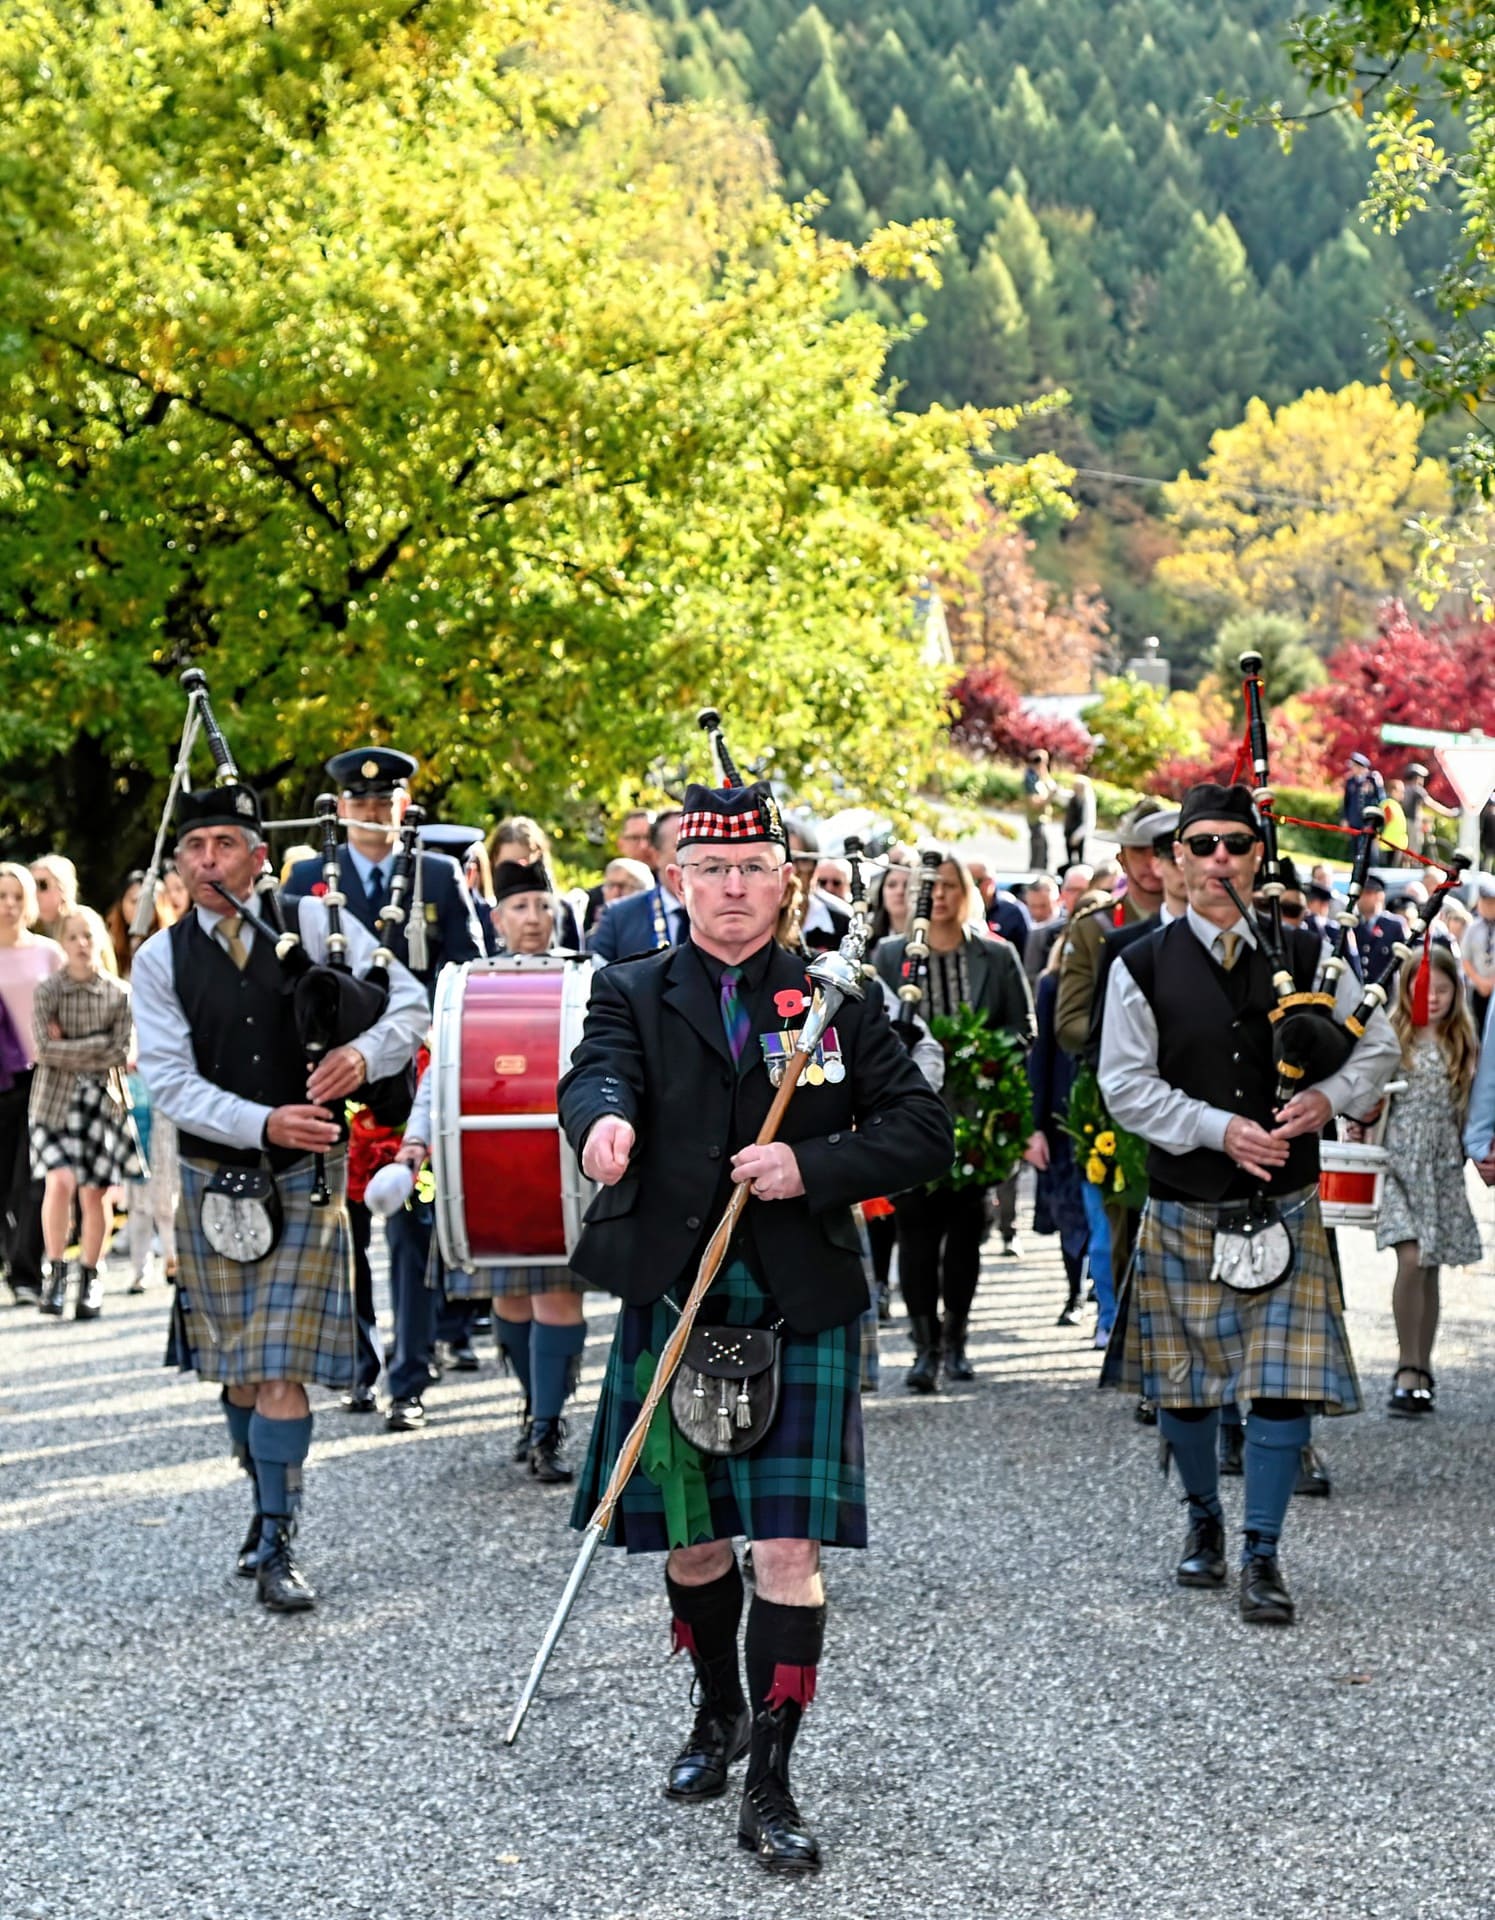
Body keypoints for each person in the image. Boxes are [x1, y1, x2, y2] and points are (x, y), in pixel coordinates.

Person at [558, 779, 951, 1873]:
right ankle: (717, 1710)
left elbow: (923, 1128)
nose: (732, 890)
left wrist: (808, 1165)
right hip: (677, 1290)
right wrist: (603, 1127)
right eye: (711, 870)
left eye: (752, 870)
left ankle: (772, 1782)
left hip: (794, 1296)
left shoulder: (838, 998)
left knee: (785, 1543)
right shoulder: (628, 989)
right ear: (679, 880)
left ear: (787, 879)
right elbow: (592, 1078)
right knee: (690, 1544)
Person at [1099, 783, 1399, 1626]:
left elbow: (1376, 1050)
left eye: (1235, 843)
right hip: (1185, 1197)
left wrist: (1327, 1097)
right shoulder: (1138, 962)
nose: (1218, 860)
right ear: (1172, 864)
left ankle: (1261, 1551)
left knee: (1279, 1387)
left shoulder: (1310, 955)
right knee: (1186, 1388)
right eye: (1201, 846)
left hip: (1285, 1197)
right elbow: (1123, 1085)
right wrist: (1217, 1128)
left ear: (1257, 855)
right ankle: (1203, 1519)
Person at [133, 781, 426, 1611]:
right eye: (194, 847)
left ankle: (277, 1535)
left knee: (278, 1367)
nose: (208, 860)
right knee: (236, 1371)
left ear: (259, 858)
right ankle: (263, 1494)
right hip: (213, 1177)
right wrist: (266, 1121)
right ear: (180, 863)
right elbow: (172, 1084)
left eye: (225, 844)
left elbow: (409, 1003)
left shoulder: (318, 925)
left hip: (308, 1183)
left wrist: (362, 1058)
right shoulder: (159, 960)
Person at [286, 749, 486, 1410]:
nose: (372, 814)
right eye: (360, 804)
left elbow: (465, 974)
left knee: (411, 1229)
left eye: (384, 803)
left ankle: (410, 1378)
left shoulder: (435, 872)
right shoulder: (311, 874)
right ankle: (360, 1363)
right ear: (341, 810)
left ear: (401, 807)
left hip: (414, 1080)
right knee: (345, 1233)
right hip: (338, 1082)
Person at [398, 862, 589, 1460]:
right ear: (496, 917)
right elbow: (440, 1076)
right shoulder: (467, 984)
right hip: (490, 1171)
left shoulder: (588, 979)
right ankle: (535, 1407)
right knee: (508, 1300)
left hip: (561, 1171)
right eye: (520, 908)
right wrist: (414, 1142)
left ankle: (549, 1424)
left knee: (559, 1298)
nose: (533, 919)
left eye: (542, 906)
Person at [873, 850, 1035, 1383]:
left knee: (966, 1233)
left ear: (964, 890)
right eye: (929, 887)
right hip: (912, 1114)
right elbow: (872, 1033)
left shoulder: (995, 954)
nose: (938, 896)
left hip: (976, 1115)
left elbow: (1023, 1026)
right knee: (915, 1232)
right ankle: (924, 1348)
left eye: (947, 886)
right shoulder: (892, 952)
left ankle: (957, 1336)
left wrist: (981, 1053)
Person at [1365, 943, 1480, 1417]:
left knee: (1429, 1266)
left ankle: (1422, 1366)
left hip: (1440, 1168)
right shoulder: (1392, 1037)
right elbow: (1365, 1092)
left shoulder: (1464, 1045)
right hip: (1396, 1163)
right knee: (1410, 1258)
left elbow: (1474, 1109)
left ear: (1457, 993)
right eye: (1422, 987)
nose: (1431, 998)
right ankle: (1405, 1366)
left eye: (1443, 989)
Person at [28, 906, 134, 1320]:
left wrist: (70, 1046)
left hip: (102, 1100)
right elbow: (43, 1050)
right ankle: (55, 1272)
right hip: (52, 1102)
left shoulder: (118, 993)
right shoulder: (48, 991)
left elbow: (121, 1051)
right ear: (62, 942)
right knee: (60, 1182)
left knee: (96, 1192)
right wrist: (95, 1043)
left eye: (88, 935)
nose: (81, 944)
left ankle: (90, 1276)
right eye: (72, 937)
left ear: (100, 940)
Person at [0, 864, 64, 1305]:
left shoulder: (48, 953)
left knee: (35, 1178)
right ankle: (12, 1258)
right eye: (1, 897)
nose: (9, 906)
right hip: (0, 1078)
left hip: (45, 1076)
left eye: (17, 896)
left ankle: (26, 1273)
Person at [1023, 932, 1089, 1327]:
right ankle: (1074, 1291)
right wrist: (1035, 1125)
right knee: (1069, 1207)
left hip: (1106, 1110)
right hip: (1062, 1113)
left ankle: (1101, 1287)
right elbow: (1041, 1053)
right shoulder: (1052, 982)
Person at [587, 808, 684, 963]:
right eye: (681, 846)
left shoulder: (727, 908)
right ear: (656, 854)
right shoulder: (618, 917)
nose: (694, 855)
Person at [488, 815, 583, 950]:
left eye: (524, 863)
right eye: (508, 866)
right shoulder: (484, 911)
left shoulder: (562, 909)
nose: (518, 873)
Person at [1351, 877, 1408, 984]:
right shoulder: (1353, 924)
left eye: (1367, 893)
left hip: (1383, 991)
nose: (1361, 898)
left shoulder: (1394, 926)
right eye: (1360, 893)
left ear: (1380, 896)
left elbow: (1402, 963)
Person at [1461, 875, 1495, 1035]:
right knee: (1477, 1028)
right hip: (1478, 988)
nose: (1487, 907)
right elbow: (1466, 959)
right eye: (1484, 902)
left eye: (1491, 903)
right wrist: (1480, 982)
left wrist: (1492, 982)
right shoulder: (1473, 928)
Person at [1402, 763, 1457, 860]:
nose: (1422, 781)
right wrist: (1450, 813)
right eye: (1421, 777)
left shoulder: (1404, 788)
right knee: (1414, 850)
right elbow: (1431, 804)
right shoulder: (1417, 790)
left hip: (1403, 822)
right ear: (1416, 777)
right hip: (1413, 823)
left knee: (1405, 848)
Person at [30, 854, 79, 944]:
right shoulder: (23, 930)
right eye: (31, 885)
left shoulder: (84, 925)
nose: (34, 892)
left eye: (42, 885)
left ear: (63, 888)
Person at [1023, 749, 1058, 870]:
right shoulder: (1030, 779)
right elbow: (1034, 803)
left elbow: (1050, 783)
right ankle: (1036, 875)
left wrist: (1044, 772)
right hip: (1036, 820)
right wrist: (1050, 796)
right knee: (1039, 852)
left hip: (1042, 819)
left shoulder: (1039, 777)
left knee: (1043, 851)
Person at [1340, 752, 1385, 831]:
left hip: (1368, 822)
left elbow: (1381, 799)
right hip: (1353, 822)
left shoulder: (1373, 780)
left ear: (1360, 767)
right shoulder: (1350, 781)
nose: (1352, 768)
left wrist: (1376, 821)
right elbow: (1346, 801)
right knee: (1354, 843)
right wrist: (1345, 818)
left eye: (1354, 766)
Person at [1062, 774, 1096, 872]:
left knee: (1081, 861)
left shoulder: (1087, 800)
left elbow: (1088, 822)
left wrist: (1077, 836)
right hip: (1069, 831)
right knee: (1070, 861)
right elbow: (1061, 797)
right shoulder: (1073, 797)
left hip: (1081, 835)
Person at [1380, 780, 1410, 865]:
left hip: (1397, 845)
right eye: (1401, 792)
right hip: (1388, 845)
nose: (1402, 795)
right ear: (1393, 791)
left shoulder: (1396, 805)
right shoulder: (1388, 804)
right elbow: (1383, 823)